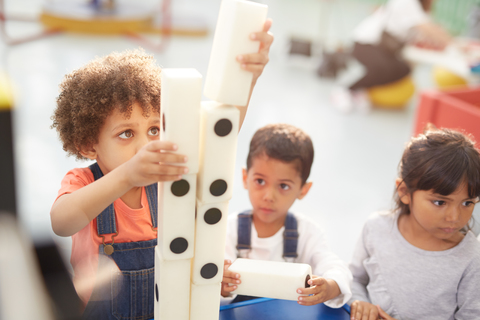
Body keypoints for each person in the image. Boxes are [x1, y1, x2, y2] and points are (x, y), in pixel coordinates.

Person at [50, 20, 273, 319]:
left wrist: (247, 79)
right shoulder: (83, 181)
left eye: (155, 129)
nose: (145, 145)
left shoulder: (170, 179)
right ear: (89, 145)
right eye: (126, 133)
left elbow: (220, 137)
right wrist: (127, 175)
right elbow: (62, 223)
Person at [349, 126, 480, 320]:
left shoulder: (472, 258)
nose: (454, 217)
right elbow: (354, 279)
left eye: (467, 203)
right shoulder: (376, 228)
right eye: (440, 202)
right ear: (404, 192)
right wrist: (361, 304)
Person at [221, 123, 352, 308]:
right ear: (245, 177)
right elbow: (211, 291)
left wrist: (330, 286)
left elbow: (337, 268)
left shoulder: (307, 233)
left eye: (283, 186)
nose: (269, 197)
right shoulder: (228, 230)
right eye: (260, 181)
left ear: (303, 190)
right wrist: (222, 287)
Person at [332, 0, 451, 113]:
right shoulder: (406, 2)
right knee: (383, 68)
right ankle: (345, 90)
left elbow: (426, 32)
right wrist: (454, 43)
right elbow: (428, 28)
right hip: (364, 42)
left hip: (384, 48)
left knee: (403, 69)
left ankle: (360, 91)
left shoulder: (422, 9)